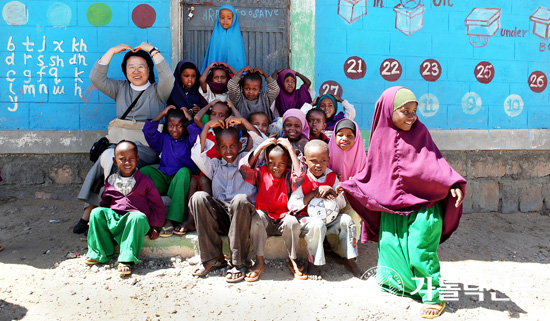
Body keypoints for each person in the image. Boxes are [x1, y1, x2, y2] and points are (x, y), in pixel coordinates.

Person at [340, 87, 466, 319]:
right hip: (393, 207)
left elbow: (437, 163)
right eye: (405, 111)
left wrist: (453, 184)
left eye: (414, 111)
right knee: (390, 247)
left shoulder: (421, 133)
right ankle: (404, 285)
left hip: (425, 204)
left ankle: (433, 296)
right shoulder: (380, 138)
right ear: (388, 111)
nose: (412, 116)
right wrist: (351, 185)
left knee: (421, 251)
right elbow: (374, 172)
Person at [74, 42, 174, 234]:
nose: (136, 72)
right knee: (111, 156)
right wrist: (112, 51)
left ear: (148, 69)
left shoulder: (158, 91)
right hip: (118, 145)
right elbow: (96, 77)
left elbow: (168, 77)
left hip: (144, 149)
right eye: (131, 67)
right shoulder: (120, 88)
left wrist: (152, 51)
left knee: (115, 158)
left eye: (141, 67)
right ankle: (105, 208)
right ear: (125, 71)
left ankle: (94, 210)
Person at [84, 141, 165, 276]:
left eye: (131, 158)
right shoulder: (111, 180)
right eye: (122, 159)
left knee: (137, 216)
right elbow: (105, 202)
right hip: (116, 219)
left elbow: (156, 203)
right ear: (115, 161)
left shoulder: (144, 181)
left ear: (137, 160)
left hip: (135, 223)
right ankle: (101, 253)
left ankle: (126, 259)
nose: (127, 162)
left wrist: (155, 226)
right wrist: (96, 219)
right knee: (96, 212)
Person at [190, 126, 257, 283]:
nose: (228, 151)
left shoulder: (248, 162)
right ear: (218, 148)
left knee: (240, 199)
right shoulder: (214, 166)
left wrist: (242, 122)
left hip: (242, 216)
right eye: (223, 147)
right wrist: (207, 127)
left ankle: (239, 262)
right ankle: (213, 259)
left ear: (240, 145)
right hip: (221, 215)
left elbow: (260, 142)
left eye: (233, 146)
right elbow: (197, 155)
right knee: (198, 197)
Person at [288, 140, 360, 280]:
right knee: (317, 224)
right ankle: (314, 263)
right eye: (313, 161)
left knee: (347, 220)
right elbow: (291, 206)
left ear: (328, 160)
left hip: (330, 220)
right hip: (308, 222)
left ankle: (350, 259)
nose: (318, 165)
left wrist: (334, 192)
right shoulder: (302, 179)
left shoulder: (332, 177)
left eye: (323, 161)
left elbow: (341, 205)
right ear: (305, 160)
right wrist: (313, 193)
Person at [240, 137, 306, 281]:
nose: (276, 167)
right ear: (266, 162)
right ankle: (259, 260)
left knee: (293, 222)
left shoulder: (288, 176)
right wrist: (261, 147)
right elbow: (244, 169)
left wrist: (289, 149)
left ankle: (292, 258)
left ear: (287, 163)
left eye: (281, 163)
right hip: (264, 218)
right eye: (272, 163)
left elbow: (300, 175)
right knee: (256, 218)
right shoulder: (261, 173)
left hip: (283, 218)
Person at [140, 106, 200, 237]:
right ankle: (143, 215)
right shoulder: (164, 139)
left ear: (185, 126)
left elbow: (197, 135)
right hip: (164, 177)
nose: (174, 129)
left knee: (184, 172)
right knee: (144, 171)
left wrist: (189, 117)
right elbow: (148, 131)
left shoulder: (189, 141)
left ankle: (170, 220)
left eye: (179, 126)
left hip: (180, 181)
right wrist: (162, 113)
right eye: (171, 125)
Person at [201, 4, 246, 73]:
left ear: (234, 19)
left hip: (233, 76)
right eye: (222, 17)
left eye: (229, 18)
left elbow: (238, 58)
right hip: (216, 75)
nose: (225, 20)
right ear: (218, 18)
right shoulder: (216, 35)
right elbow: (213, 54)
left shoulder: (237, 37)